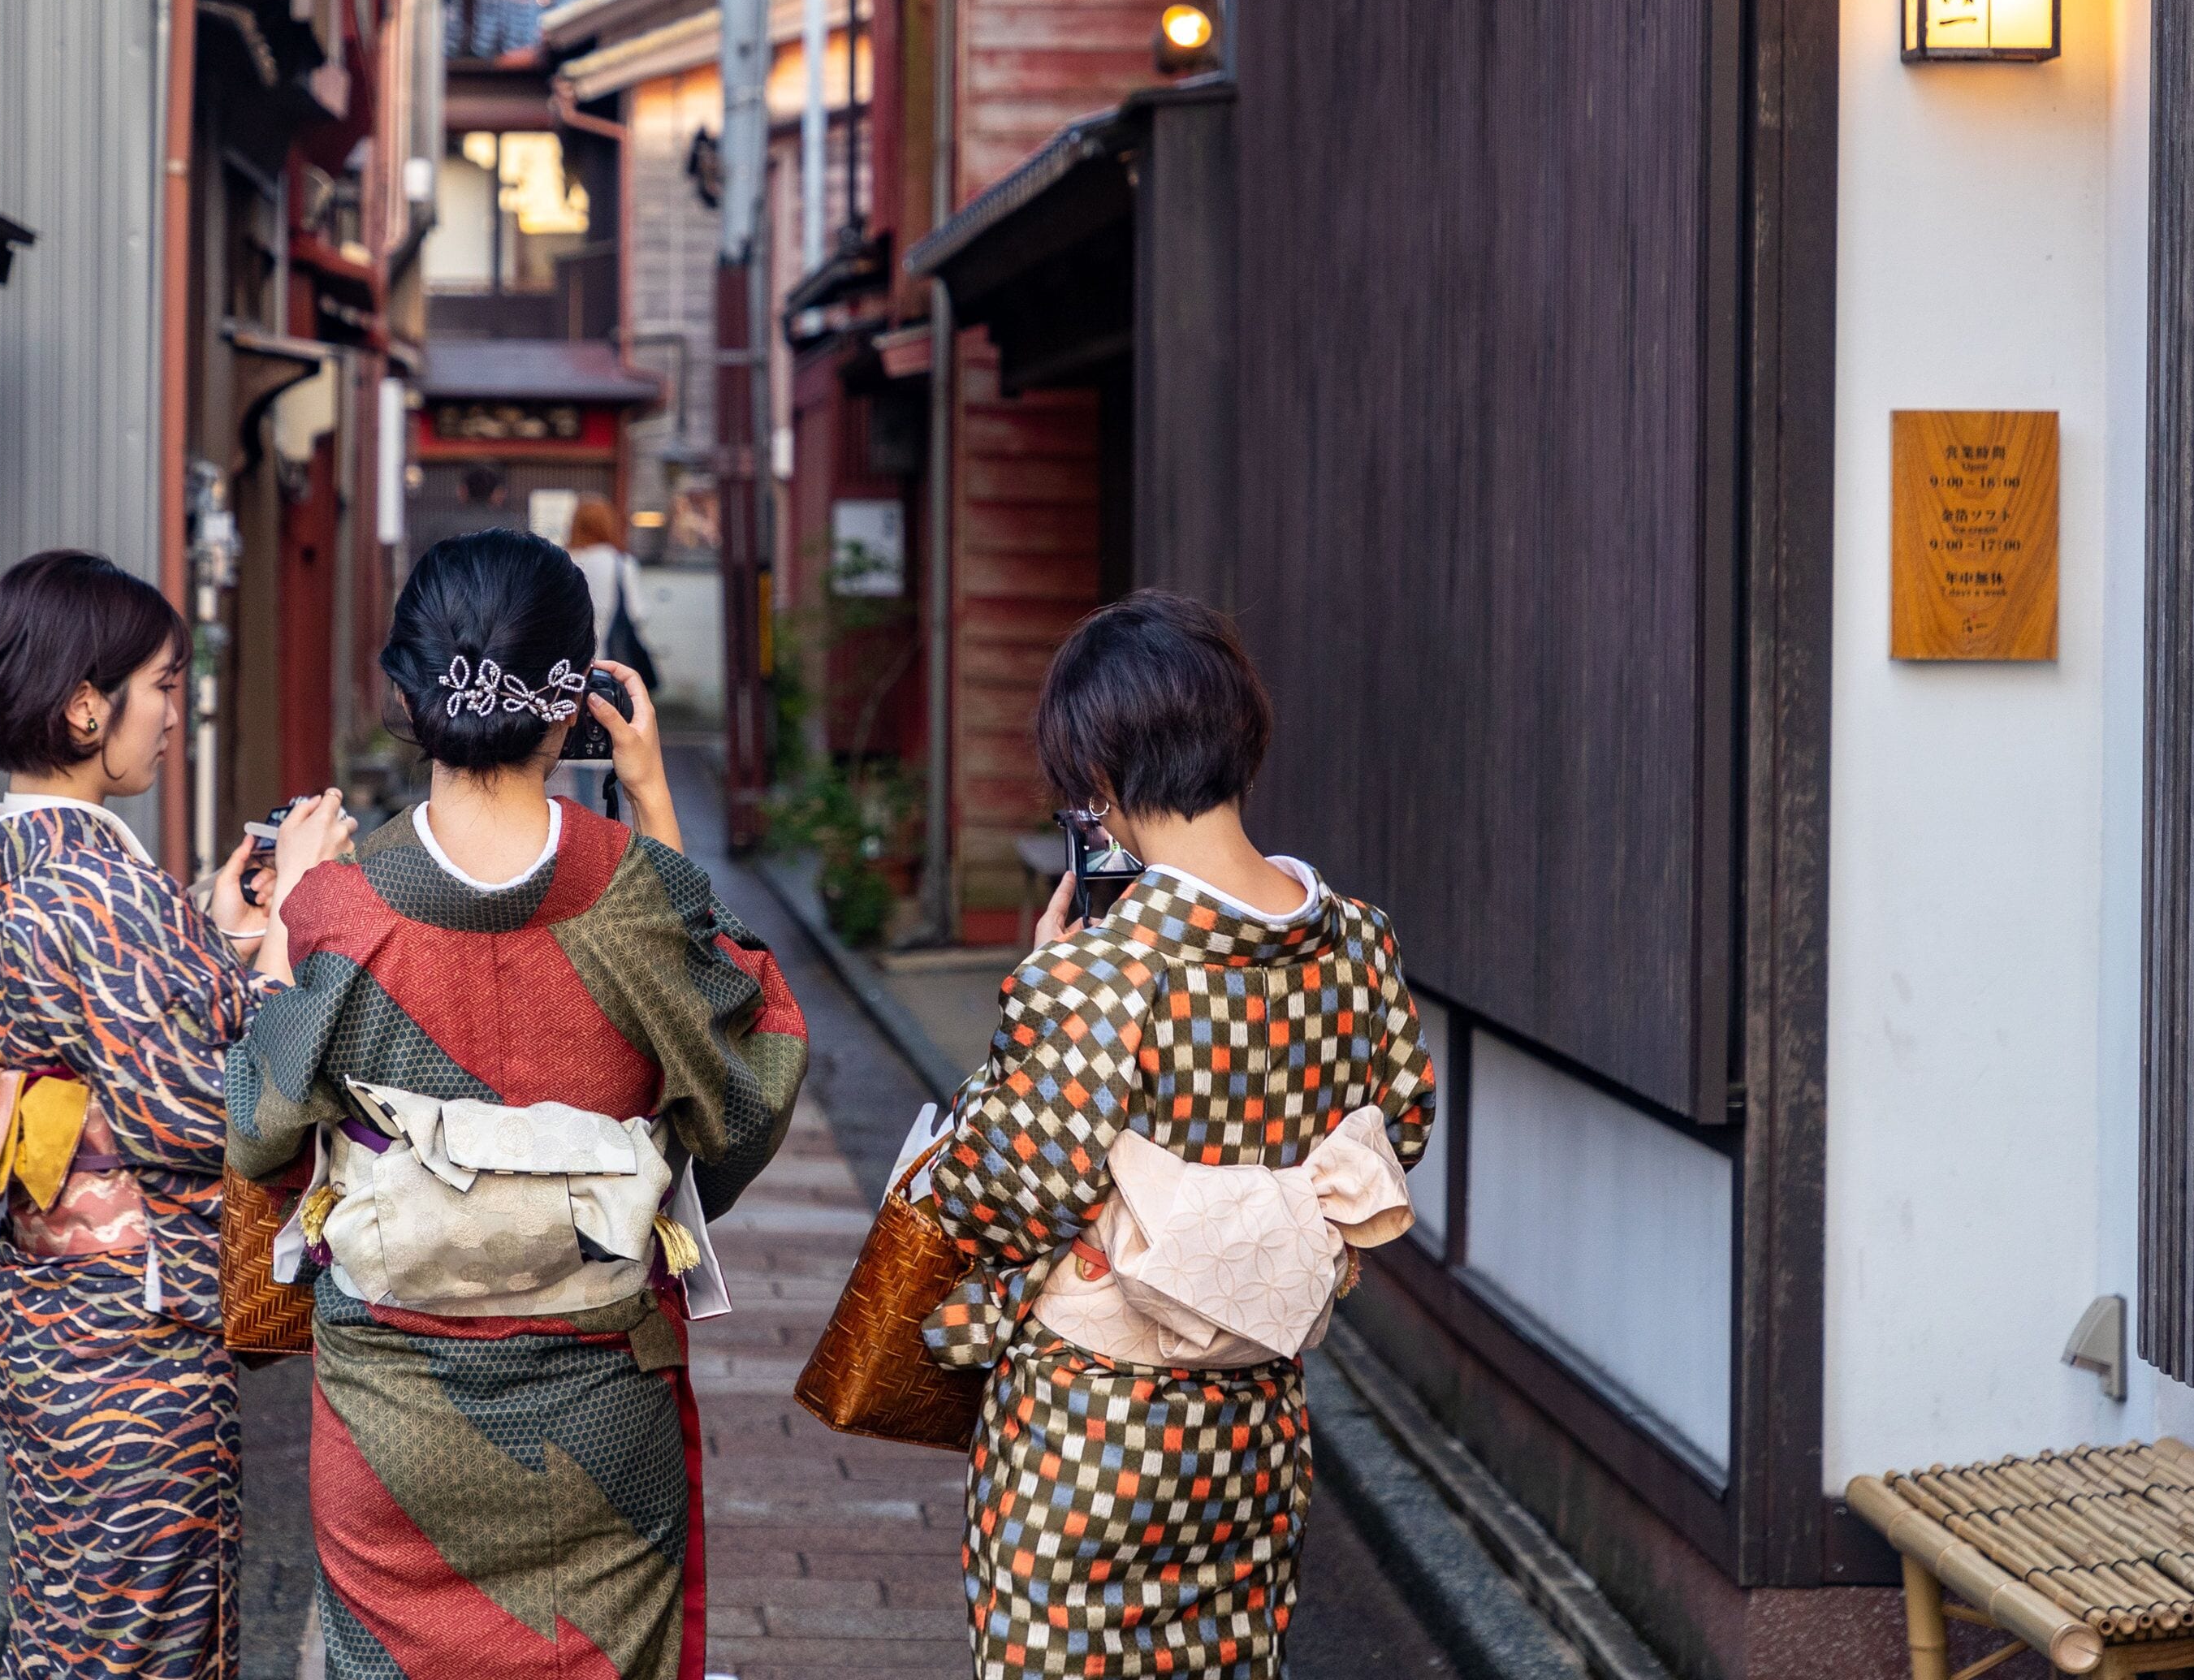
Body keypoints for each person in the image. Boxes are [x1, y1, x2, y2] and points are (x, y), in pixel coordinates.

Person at [226, 529, 809, 1680]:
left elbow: (255, 1129)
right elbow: (738, 1088)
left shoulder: (343, 910)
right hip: (601, 1407)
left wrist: (283, 918)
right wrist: (649, 795)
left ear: (406, 692)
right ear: (573, 704)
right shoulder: (638, 892)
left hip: (393, 1420)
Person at [924, 590, 1436, 1680]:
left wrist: (1036, 991)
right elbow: (1404, 1124)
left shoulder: (1097, 972)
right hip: (1256, 1424)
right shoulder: (1360, 948)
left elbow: (998, 1191)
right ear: (1240, 740)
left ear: (1095, 783)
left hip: (1090, 1431)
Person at [0, 549, 352, 1680]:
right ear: (85, 708)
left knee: (71, 1616)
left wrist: (210, 932)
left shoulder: (8, 872)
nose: (176, 710)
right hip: (132, 1338)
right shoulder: (97, 889)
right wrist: (299, 913)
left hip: (46, 1315)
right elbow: (201, 1111)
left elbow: (117, 1037)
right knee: (141, 1631)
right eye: (163, 685)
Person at [564, 494, 646, 655]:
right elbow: (637, 613)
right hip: (609, 656)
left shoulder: (562, 560)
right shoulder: (621, 562)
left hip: (566, 656)